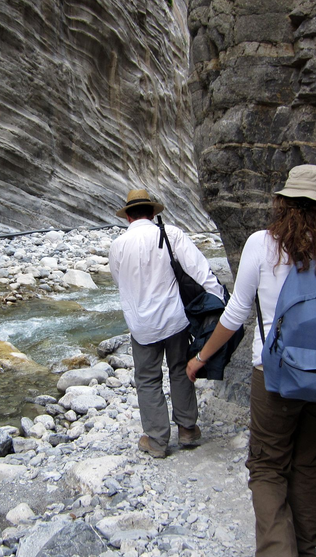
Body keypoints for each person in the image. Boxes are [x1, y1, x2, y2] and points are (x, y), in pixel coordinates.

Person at [185, 165, 316, 556]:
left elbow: (235, 315)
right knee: (306, 461)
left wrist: (201, 356)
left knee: (267, 468)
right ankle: (306, 548)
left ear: (283, 203)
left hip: (275, 378)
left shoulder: (262, 245)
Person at [109, 189, 224, 458]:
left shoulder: (118, 245)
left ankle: (158, 440)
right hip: (175, 319)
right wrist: (220, 298)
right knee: (180, 369)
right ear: (153, 213)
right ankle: (187, 429)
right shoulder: (170, 234)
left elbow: (119, 281)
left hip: (141, 325)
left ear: (128, 216)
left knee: (148, 379)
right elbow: (199, 270)